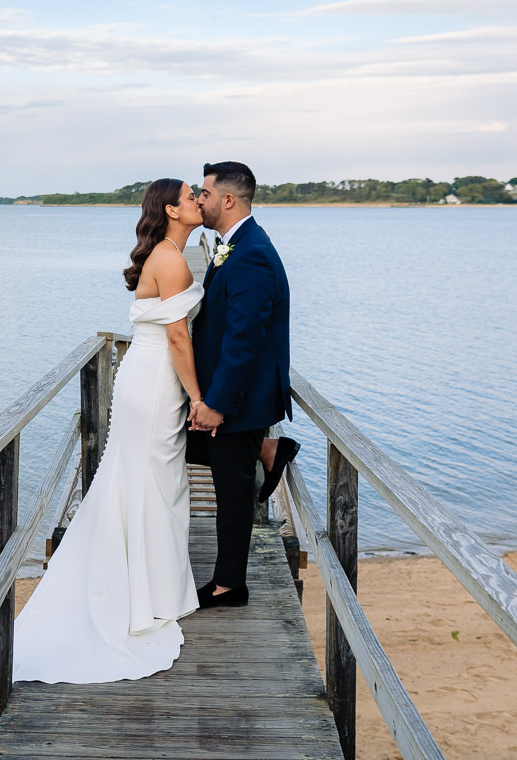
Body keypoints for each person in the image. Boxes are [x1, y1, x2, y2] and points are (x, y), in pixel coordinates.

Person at [0, 178, 205, 730]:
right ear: (170, 209)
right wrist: (197, 396)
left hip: (143, 377)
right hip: (157, 379)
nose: (199, 200)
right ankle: (144, 589)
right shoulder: (173, 261)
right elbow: (178, 339)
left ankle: (150, 583)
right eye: (192, 195)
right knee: (152, 481)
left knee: (147, 480)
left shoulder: (171, 255)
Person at [187, 161, 298, 609]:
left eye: (205, 193)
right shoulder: (236, 244)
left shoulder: (250, 252)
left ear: (227, 199)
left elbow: (244, 338)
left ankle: (230, 585)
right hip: (239, 393)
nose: (200, 200)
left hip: (242, 398)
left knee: (233, 494)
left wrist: (217, 403)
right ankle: (270, 450)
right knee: (205, 460)